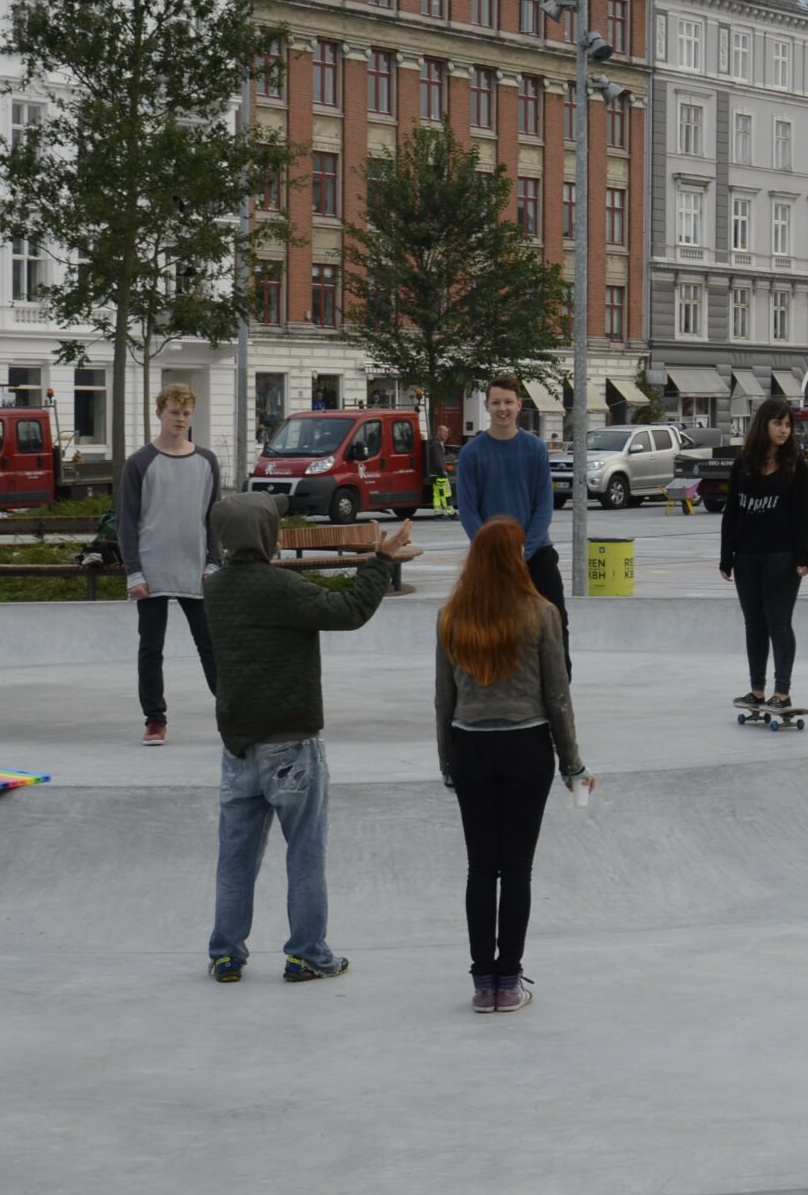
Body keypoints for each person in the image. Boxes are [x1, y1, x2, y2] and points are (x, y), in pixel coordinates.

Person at [203, 493, 418, 983]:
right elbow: (350, 610)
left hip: (237, 747)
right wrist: (381, 559)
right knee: (304, 852)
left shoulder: (214, 590)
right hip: (292, 744)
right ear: (266, 536)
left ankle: (226, 953)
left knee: (235, 859)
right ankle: (306, 953)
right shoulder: (283, 588)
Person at [437, 516, 587, 1015]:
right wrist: (572, 765)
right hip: (527, 748)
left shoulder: (452, 615)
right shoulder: (541, 613)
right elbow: (557, 696)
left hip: (471, 746)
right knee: (516, 867)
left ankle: (483, 982)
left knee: (481, 866)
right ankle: (509, 978)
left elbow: (444, 699)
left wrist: (448, 761)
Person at [117, 383, 221, 747]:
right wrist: (134, 571)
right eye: (174, 411)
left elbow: (214, 518)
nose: (180, 419)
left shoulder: (207, 461)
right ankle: (155, 720)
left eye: (186, 413)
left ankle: (230, 710)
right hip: (152, 569)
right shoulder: (140, 463)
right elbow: (127, 521)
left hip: (196, 569)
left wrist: (214, 563)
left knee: (210, 643)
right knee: (151, 648)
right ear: (159, 413)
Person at [453, 376, 566, 674]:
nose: (502, 408)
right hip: (489, 556)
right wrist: (492, 550)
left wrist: (524, 550)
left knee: (555, 618)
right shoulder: (472, 454)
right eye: (496, 402)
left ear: (519, 405)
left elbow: (544, 505)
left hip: (535, 552)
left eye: (508, 402)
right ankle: (491, 680)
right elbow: (468, 510)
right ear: (487, 406)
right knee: (486, 623)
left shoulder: (535, 449)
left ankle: (559, 685)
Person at [720, 396, 808, 711]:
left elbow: (802, 517)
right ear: (764, 425)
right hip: (747, 557)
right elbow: (732, 513)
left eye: (788, 425)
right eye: (778, 423)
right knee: (754, 623)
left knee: (779, 622)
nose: (784, 430)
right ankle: (756, 690)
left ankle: (782, 692)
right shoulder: (742, 465)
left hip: (782, 558)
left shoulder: (796, 467)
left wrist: (803, 557)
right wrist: (726, 556)